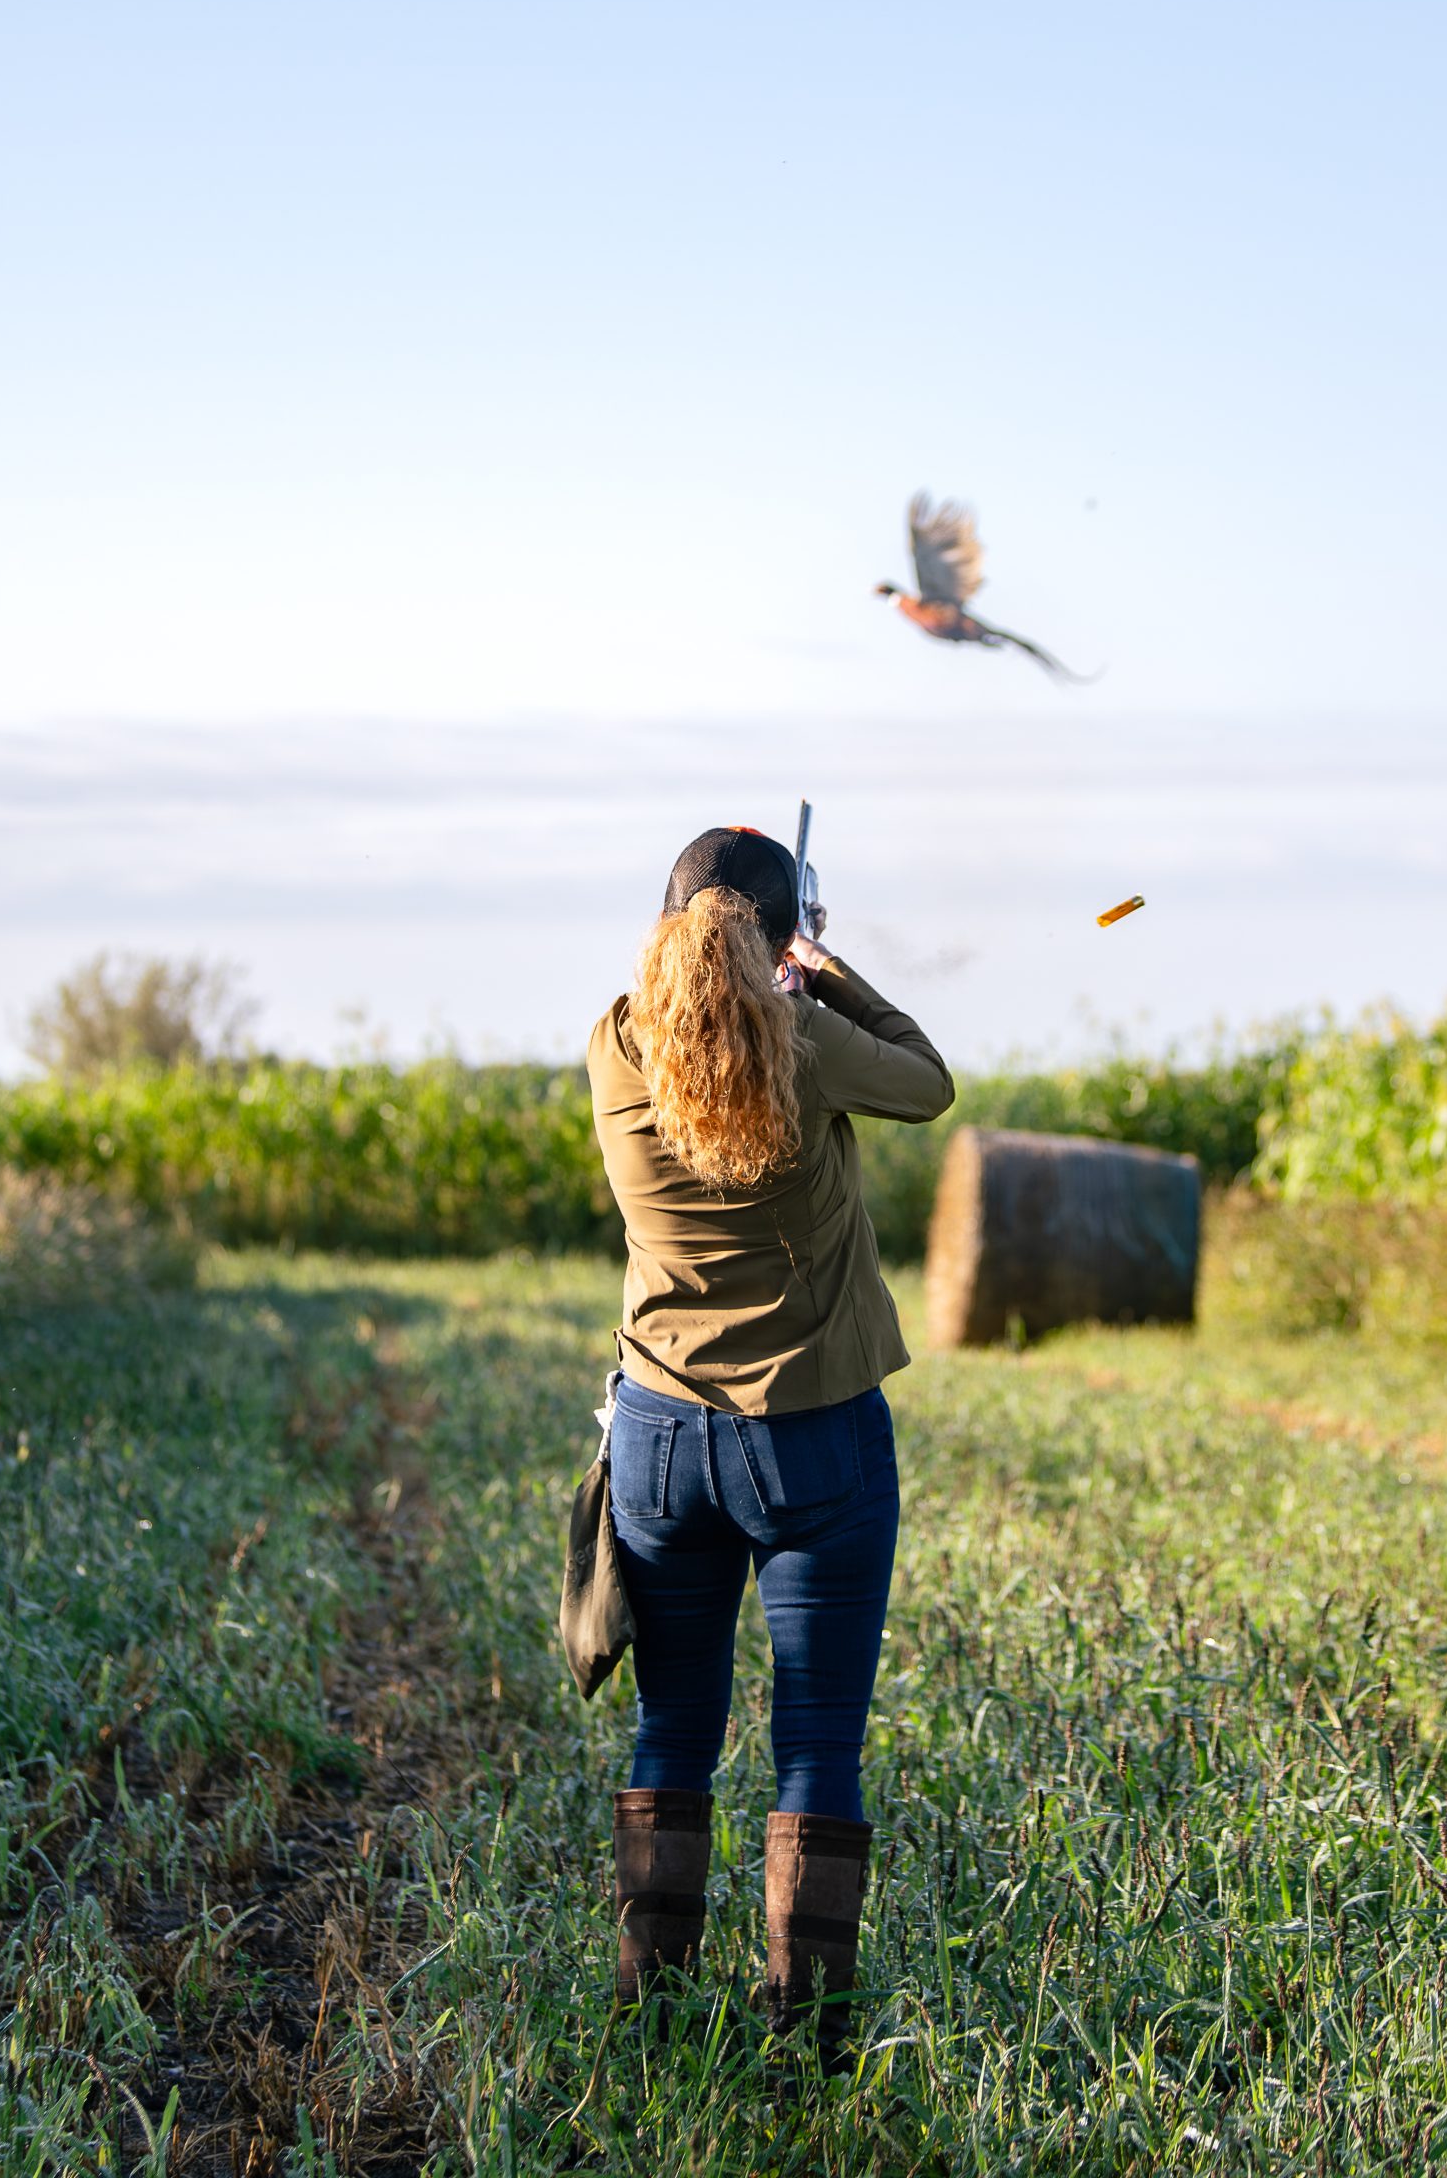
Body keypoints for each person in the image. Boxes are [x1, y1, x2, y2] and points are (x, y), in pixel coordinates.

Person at [586, 823, 954, 2066]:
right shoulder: (804, 1041)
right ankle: (807, 2032)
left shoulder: (615, 1039)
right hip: (810, 1440)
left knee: (672, 1728)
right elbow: (927, 1077)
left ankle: (652, 2007)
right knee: (814, 1742)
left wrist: (770, 971)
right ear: (783, 932)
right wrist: (822, 971)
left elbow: (695, 1017)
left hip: (656, 1441)